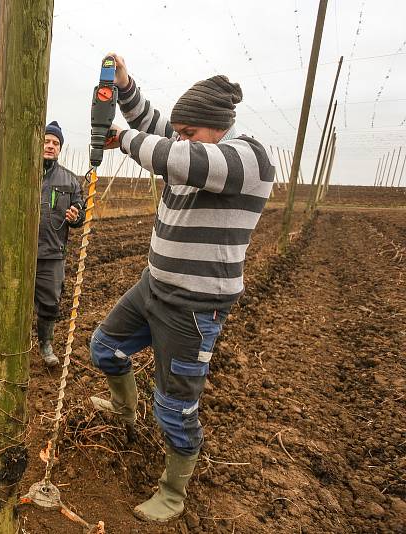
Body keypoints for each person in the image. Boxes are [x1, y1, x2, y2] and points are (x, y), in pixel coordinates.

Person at [88, 54, 274, 522]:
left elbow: (176, 152)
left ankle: (173, 492)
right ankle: (122, 409)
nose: (179, 138)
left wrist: (122, 138)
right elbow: (161, 129)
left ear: (216, 128)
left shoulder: (246, 158)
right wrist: (126, 88)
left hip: (195, 306)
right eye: (180, 131)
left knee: (175, 403)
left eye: (189, 132)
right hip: (153, 286)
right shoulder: (193, 142)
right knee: (105, 347)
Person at [36, 121, 85, 366]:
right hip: (20, 253)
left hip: (52, 252)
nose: (50, 146)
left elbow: (81, 212)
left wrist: (76, 217)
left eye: (55, 143)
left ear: (60, 149)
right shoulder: (22, 171)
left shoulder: (69, 180)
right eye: (47, 141)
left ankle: (45, 344)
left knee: (49, 302)